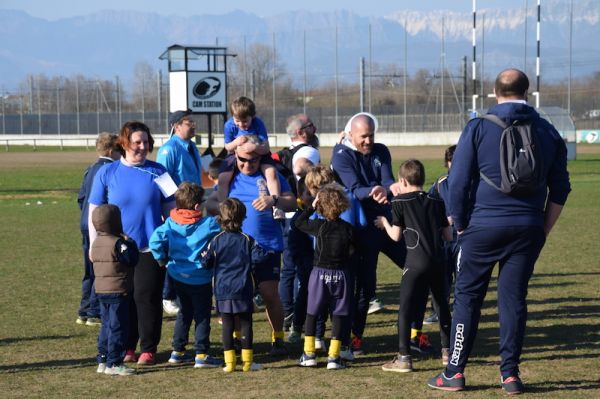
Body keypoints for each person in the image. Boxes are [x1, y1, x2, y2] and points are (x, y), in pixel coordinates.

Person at [427, 69, 571, 394]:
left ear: (495, 92)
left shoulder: (478, 127)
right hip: (528, 227)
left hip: (481, 227)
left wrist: (460, 224)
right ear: (527, 91)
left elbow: (459, 181)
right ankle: (510, 375)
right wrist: (542, 228)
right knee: (513, 299)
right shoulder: (547, 131)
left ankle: (455, 372)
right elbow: (561, 189)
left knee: (467, 298)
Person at [89, 121, 175, 366]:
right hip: (117, 250)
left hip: (150, 247)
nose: (143, 146)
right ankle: (127, 346)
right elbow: (94, 211)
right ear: (124, 143)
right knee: (122, 300)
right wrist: (95, 245)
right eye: (137, 142)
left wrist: (174, 240)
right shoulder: (107, 173)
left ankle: (148, 348)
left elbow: (173, 210)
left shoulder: (160, 172)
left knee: (146, 297)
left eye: (146, 142)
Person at [205, 135, 297, 355]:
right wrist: (225, 208)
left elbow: (292, 201)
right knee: (238, 296)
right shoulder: (230, 178)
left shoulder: (269, 175)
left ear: (261, 158)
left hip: (267, 246)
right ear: (236, 156)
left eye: (253, 161)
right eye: (243, 160)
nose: (247, 165)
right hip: (235, 250)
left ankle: (278, 338)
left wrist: (273, 201)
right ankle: (237, 339)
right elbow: (209, 204)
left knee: (270, 294)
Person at [330, 112, 407, 355]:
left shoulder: (381, 150)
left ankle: (417, 333)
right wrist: (375, 189)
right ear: (351, 134)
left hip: (386, 221)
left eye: (371, 135)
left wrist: (387, 189)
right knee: (365, 287)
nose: (368, 140)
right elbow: (354, 188)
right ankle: (355, 337)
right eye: (363, 136)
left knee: (417, 267)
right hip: (362, 228)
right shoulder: (341, 156)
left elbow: (388, 180)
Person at [375, 159, 452, 373]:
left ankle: (404, 358)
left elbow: (396, 236)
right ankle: (448, 353)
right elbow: (447, 235)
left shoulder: (399, 202)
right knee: (442, 307)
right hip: (438, 261)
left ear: (402, 180)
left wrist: (384, 223)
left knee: (405, 309)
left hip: (415, 262)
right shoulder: (436, 202)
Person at [149, 182, 222, 368]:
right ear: (198, 206)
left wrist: (162, 259)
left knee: (184, 313)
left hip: (177, 275)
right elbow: (224, 231)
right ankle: (202, 354)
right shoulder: (208, 224)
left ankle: (178, 351)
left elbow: (155, 241)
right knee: (202, 316)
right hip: (201, 277)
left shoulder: (170, 224)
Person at [202, 198, 271, 372]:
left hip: (222, 289)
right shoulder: (248, 240)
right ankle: (248, 363)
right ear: (243, 217)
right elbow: (260, 257)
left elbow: (205, 261)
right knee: (246, 322)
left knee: (227, 324)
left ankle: (230, 363)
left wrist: (206, 257)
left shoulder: (216, 240)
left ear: (221, 218)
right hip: (243, 288)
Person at [295, 183, 356, 370]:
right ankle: (334, 357)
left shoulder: (318, 226)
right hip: (341, 274)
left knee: (312, 312)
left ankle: (309, 353)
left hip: (319, 274)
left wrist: (309, 208)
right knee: (339, 314)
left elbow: (298, 223)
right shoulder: (348, 229)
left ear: (320, 206)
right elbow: (353, 252)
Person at [156, 109, 203, 316]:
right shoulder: (169, 149)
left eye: (193, 121)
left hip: (194, 206)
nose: (193, 124)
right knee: (177, 249)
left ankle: (187, 294)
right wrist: (171, 210)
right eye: (188, 122)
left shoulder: (192, 147)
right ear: (176, 125)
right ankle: (168, 296)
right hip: (178, 209)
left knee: (191, 249)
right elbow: (162, 179)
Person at [278, 114, 321, 334]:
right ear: (302, 133)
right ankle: (298, 314)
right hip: (303, 215)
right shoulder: (309, 150)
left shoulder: (285, 152)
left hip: (286, 215)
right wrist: (320, 175)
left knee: (288, 268)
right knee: (305, 270)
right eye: (312, 125)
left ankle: (287, 313)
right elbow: (299, 167)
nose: (316, 128)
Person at [76, 132, 121, 326]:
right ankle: (94, 311)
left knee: (89, 268)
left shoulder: (90, 168)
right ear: (111, 150)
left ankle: (84, 310)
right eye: (119, 149)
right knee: (101, 268)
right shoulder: (110, 170)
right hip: (101, 226)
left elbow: (81, 198)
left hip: (86, 224)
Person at [90, 204, 139, 376]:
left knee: (106, 326)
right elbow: (132, 259)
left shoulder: (95, 243)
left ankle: (102, 359)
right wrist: (129, 242)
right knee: (118, 327)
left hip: (101, 290)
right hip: (118, 291)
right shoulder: (118, 244)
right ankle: (115, 362)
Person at [217, 96, 285, 219]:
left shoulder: (258, 123)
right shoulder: (229, 125)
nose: (241, 124)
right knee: (223, 178)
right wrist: (236, 142)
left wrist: (254, 148)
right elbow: (227, 147)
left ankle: (276, 207)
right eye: (237, 121)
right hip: (235, 153)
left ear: (252, 117)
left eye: (245, 121)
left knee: (271, 173)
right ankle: (223, 208)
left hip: (258, 152)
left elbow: (266, 147)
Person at [424, 145, 457, 325]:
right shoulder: (441, 182)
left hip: (465, 238)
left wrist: (459, 218)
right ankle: (438, 311)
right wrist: (442, 219)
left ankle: (461, 312)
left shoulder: (473, 180)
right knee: (442, 276)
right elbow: (429, 203)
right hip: (445, 238)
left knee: (463, 277)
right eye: (451, 160)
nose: (454, 163)